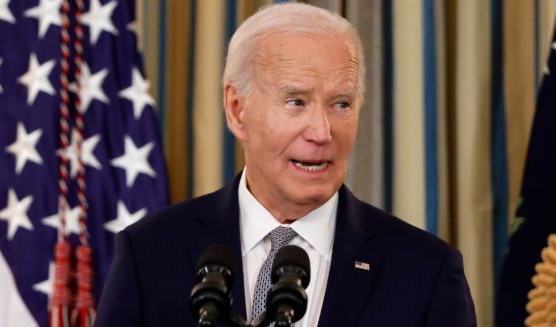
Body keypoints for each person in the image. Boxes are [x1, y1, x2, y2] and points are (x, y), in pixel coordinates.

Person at [95, 3, 476, 326]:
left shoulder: (426, 272)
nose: (322, 131)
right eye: (296, 102)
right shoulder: (149, 254)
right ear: (237, 110)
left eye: (341, 104)